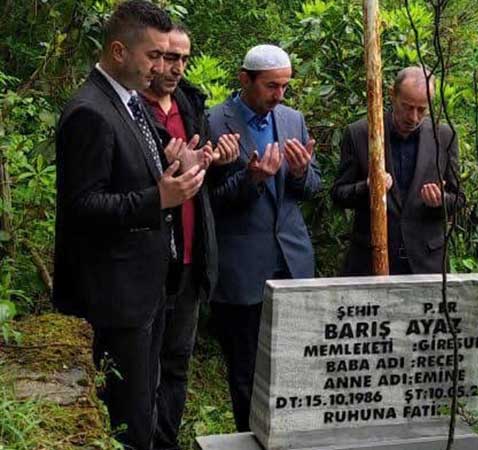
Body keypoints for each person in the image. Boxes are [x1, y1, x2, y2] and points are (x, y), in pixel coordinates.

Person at [52, 2, 209, 448]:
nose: (163, 67)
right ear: (119, 51)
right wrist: (158, 197)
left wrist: (175, 162)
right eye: (154, 56)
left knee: (147, 404)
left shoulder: (128, 101)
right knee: (129, 420)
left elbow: (133, 167)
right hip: (116, 297)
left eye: (167, 56)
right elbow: (81, 207)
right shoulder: (90, 111)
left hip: (147, 288)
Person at [206, 44, 321, 431]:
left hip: (292, 263)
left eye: (285, 87)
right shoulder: (214, 122)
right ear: (245, 79)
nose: (279, 96)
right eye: (271, 86)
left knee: (298, 365)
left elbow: (312, 189)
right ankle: (250, 436)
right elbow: (207, 204)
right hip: (241, 271)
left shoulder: (292, 120)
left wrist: (303, 173)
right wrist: (251, 179)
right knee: (246, 372)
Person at [139, 23, 240, 450]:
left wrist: (219, 165)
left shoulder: (189, 102)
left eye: (182, 58)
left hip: (190, 257)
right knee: (139, 366)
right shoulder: (130, 109)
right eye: (167, 57)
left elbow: (204, 191)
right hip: (145, 263)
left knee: (178, 361)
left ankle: (166, 442)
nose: (175, 67)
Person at [332, 66, 464, 275]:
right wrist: (368, 187)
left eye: (422, 109)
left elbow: (459, 199)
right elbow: (338, 194)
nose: (413, 117)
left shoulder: (444, 136)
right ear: (392, 95)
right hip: (369, 261)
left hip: (427, 264)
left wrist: (440, 201)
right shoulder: (359, 133)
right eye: (407, 107)